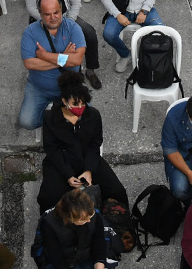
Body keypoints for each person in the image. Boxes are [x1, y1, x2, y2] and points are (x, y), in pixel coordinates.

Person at [38, 73, 128, 212]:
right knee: (47, 198)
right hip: (61, 163)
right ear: (64, 101)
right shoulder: (50, 117)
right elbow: (51, 149)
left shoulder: (93, 115)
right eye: (75, 103)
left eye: (83, 103)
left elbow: (95, 143)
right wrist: (68, 174)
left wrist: (88, 170)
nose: (80, 107)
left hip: (88, 159)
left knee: (117, 191)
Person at [19, 0, 87, 129]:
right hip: (38, 88)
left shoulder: (73, 28)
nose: (53, 17)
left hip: (70, 86)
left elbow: (77, 60)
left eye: (56, 12)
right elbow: (29, 63)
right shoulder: (30, 32)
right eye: (47, 14)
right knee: (26, 122)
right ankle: (56, 121)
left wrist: (45, 55)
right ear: (40, 14)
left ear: (61, 10)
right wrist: (64, 58)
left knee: (84, 118)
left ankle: (57, 121)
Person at [33, 188, 108, 269]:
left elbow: (99, 244)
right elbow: (55, 256)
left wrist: (99, 263)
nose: (89, 220)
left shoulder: (94, 216)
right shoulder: (49, 224)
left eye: (90, 215)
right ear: (68, 218)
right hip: (60, 262)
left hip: (86, 258)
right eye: (83, 219)